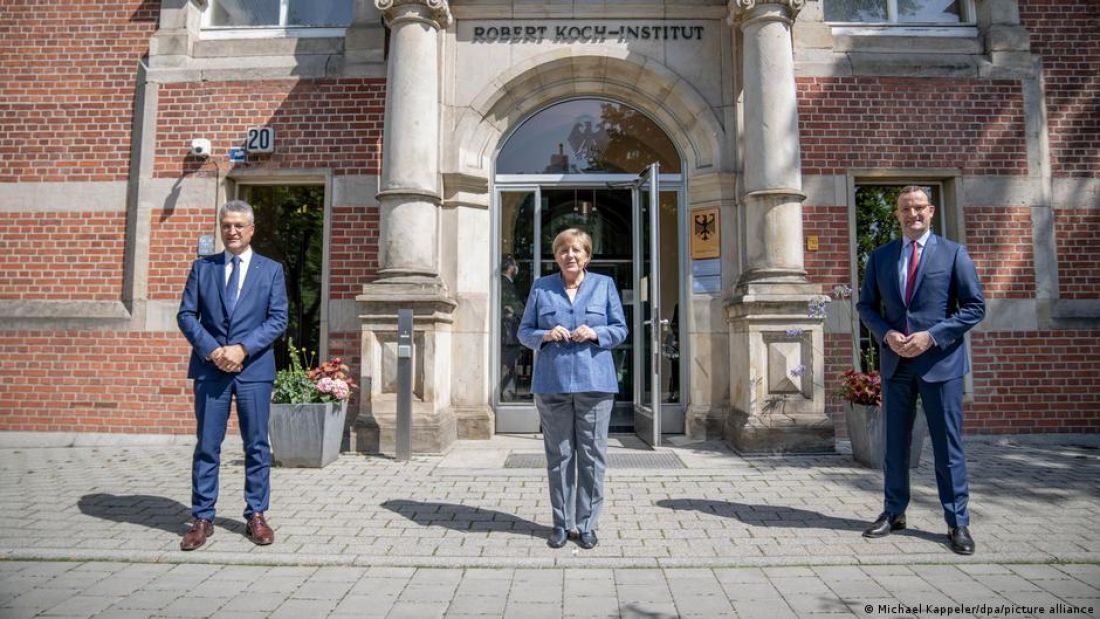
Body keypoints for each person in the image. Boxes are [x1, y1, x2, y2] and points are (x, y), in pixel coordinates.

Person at [856, 186, 985, 555]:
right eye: (905, 209)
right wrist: (886, 334)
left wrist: (932, 336)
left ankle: (957, 522)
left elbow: (974, 307)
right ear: (897, 214)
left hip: (939, 364)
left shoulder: (954, 253)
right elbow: (866, 307)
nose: (912, 214)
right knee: (895, 444)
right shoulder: (880, 256)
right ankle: (894, 512)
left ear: (931, 211)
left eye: (918, 208)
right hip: (896, 363)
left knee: (947, 446)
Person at [177, 200, 288, 551]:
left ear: (251, 229)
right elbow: (186, 315)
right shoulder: (203, 268)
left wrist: (242, 349)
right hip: (211, 371)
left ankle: (256, 514)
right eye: (226, 225)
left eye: (239, 225)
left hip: (254, 370)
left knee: (256, 445)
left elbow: (278, 319)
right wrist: (213, 351)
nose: (232, 231)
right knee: (208, 446)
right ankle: (202, 518)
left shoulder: (271, 270)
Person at [518, 228, 628, 550]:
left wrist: (594, 333)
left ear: (587, 256)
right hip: (552, 384)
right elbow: (524, 332)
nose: (570, 255)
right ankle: (561, 523)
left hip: (595, 384)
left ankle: (587, 523)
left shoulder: (604, 285)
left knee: (592, 456)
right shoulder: (541, 287)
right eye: (563, 250)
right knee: (559, 456)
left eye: (577, 250)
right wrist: (545, 335)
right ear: (556, 256)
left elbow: (620, 328)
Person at [500, 255, 524, 400]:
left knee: (509, 366)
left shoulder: (504, 283)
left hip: (509, 334)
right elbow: (518, 308)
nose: (516, 268)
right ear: (510, 267)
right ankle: (507, 397)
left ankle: (508, 395)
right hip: (508, 334)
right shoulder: (505, 284)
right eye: (515, 265)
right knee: (508, 366)